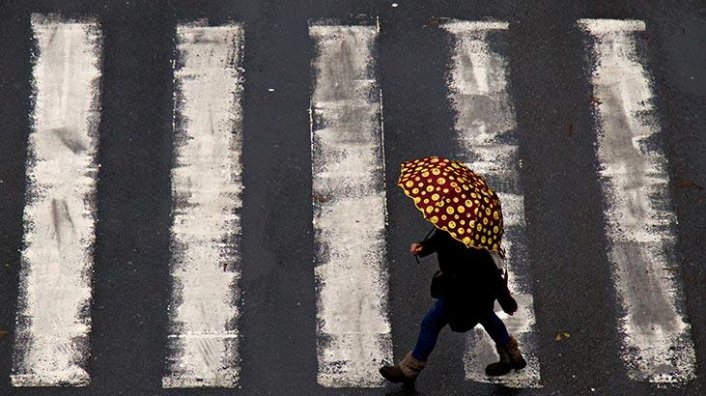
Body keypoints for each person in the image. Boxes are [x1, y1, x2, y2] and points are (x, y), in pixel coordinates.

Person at [379, 229, 526, 386]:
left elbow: (492, 275)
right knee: (486, 317)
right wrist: (423, 247)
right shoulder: (477, 236)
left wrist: (507, 302)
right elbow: (494, 277)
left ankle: (409, 369)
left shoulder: (461, 235)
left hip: (458, 295)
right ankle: (512, 354)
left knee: (431, 323)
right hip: (479, 295)